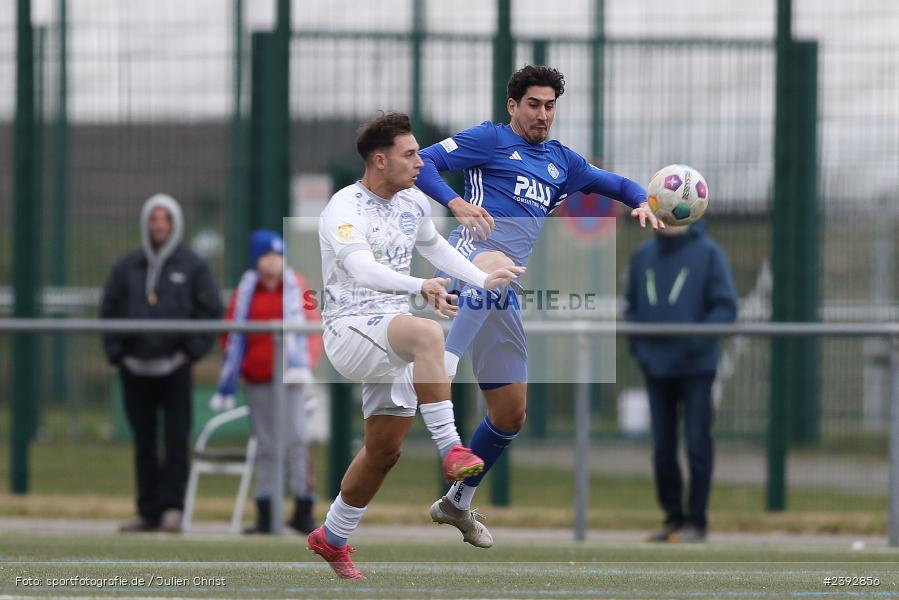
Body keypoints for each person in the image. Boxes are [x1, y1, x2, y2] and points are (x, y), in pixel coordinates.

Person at [414, 65, 660, 547]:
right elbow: (422, 162)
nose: (542, 114)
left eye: (550, 106)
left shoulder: (562, 161)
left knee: (510, 415)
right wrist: (456, 203)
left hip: (503, 289)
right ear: (513, 106)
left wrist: (642, 201)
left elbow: (616, 184)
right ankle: (443, 361)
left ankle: (457, 503)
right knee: (494, 263)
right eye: (533, 104)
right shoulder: (488, 139)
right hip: (467, 263)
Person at [307, 112, 525, 579]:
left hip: (390, 332)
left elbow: (437, 248)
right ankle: (452, 450)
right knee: (428, 334)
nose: (420, 162)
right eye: (409, 155)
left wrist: (481, 278)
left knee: (384, 450)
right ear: (379, 160)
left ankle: (332, 536)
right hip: (349, 329)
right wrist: (420, 286)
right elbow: (362, 270)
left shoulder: (412, 201)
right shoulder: (344, 207)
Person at [100, 193, 223, 533]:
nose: (159, 225)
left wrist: (191, 352)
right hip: (135, 368)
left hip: (174, 367)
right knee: (144, 441)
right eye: (154, 219)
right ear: (146, 223)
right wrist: (118, 353)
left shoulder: (193, 265)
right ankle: (147, 510)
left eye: (165, 219)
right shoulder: (127, 266)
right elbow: (109, 308)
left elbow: (211, 310)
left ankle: (172, 508)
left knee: (176, 438)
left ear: (174, 223)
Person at [624, 220, 737, 543]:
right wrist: (641, 349)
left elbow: (725, 307)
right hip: (656, 367)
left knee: (698, 443)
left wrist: (693, 343)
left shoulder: (709, 254)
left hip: (696, 367)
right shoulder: (642, 256)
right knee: (663, 448)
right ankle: (673, 520)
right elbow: (631, 308)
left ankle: (696, 523)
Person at [212, 229, 323, 535]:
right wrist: (243, 365)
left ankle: (303, 508)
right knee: (266, 445)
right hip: (258, 378)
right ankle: (265, 511)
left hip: (291, 379)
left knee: (297, 441)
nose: (274, 261)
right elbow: (231, 332)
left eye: (278, 255)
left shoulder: (297, 287)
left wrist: (305, 364)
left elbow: (312, 330)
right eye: (267, 256)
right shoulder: (246, 290)